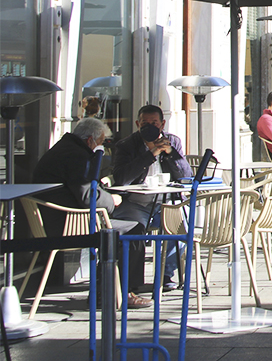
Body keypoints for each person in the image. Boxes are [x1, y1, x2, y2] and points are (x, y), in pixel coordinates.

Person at [32, 118, 152, 309]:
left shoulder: (64, 149)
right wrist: (111, 200)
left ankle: (107, 292)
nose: (102, 146)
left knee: (118, 227)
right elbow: (87, 196)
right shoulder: (77, 156)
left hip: (54, 221)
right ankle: (122, 292)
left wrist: (102, 189)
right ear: (90, 140)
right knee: (133, 229)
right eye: (101, 142)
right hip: (69, 225)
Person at [111, 105, 192, 292]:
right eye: (145, 123)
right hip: (135, 203)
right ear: (138, 124)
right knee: (132, 229)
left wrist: (170, 154)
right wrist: (151, 154)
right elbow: (122, 178)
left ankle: (165, 274)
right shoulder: (126, 145)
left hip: (164, 203)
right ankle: (131, 281)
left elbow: (186, 175)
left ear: (162, 124)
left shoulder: (173, 142)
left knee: (178, 225)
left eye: (154, 123)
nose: (149, 126)